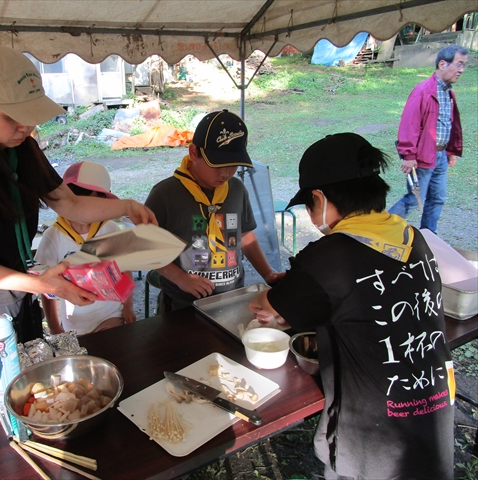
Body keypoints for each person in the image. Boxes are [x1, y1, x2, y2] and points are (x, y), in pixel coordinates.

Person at [0, 45, 155, 441]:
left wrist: (126, 207)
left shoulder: (20, 148)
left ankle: (33, 444)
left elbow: (68, 202)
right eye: (12, 117)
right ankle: (3, 455)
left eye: (29, 116)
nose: (25, 127)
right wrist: (44, 282)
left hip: (19, 287)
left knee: (29, 391)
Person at [248, 133, 454, 479]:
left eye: (310, 205)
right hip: (431, 423)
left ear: (320, 198)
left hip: (373, 446)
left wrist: (282, 298)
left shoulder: (331, 255)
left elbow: (265, 305)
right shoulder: (412, 237)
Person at [145, 110, 283, 313]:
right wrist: (180, 278)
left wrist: (268, 274)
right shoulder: (165, 194)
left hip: (231, 298)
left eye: (233, 165)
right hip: (182, 303)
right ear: (194, 153)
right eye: (217, 164)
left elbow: (244, 235)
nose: (226, 173)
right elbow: (146, 247)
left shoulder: (236, 189)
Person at [34, 161, 136, 335]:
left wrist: (128, 306)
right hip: (76, 324)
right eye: (87, 202)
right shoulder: (54, 236)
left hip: (110, 315)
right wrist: (54, 326)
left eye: (99, 203)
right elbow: (46, 289)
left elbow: (124, 269)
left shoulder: (109, 228)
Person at [388, 44, 468, 234]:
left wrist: (450, 151)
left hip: (440, 156)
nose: (461, 70)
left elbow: (447, 124)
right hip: (423, 156)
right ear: (442, 64)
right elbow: (410, 123)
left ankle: (429, 236)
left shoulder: (449, 92)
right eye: (459, 65)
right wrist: (408, 154)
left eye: (464, 66)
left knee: (437, 199)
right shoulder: (423, 90)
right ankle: (380, 229)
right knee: (414, 199)